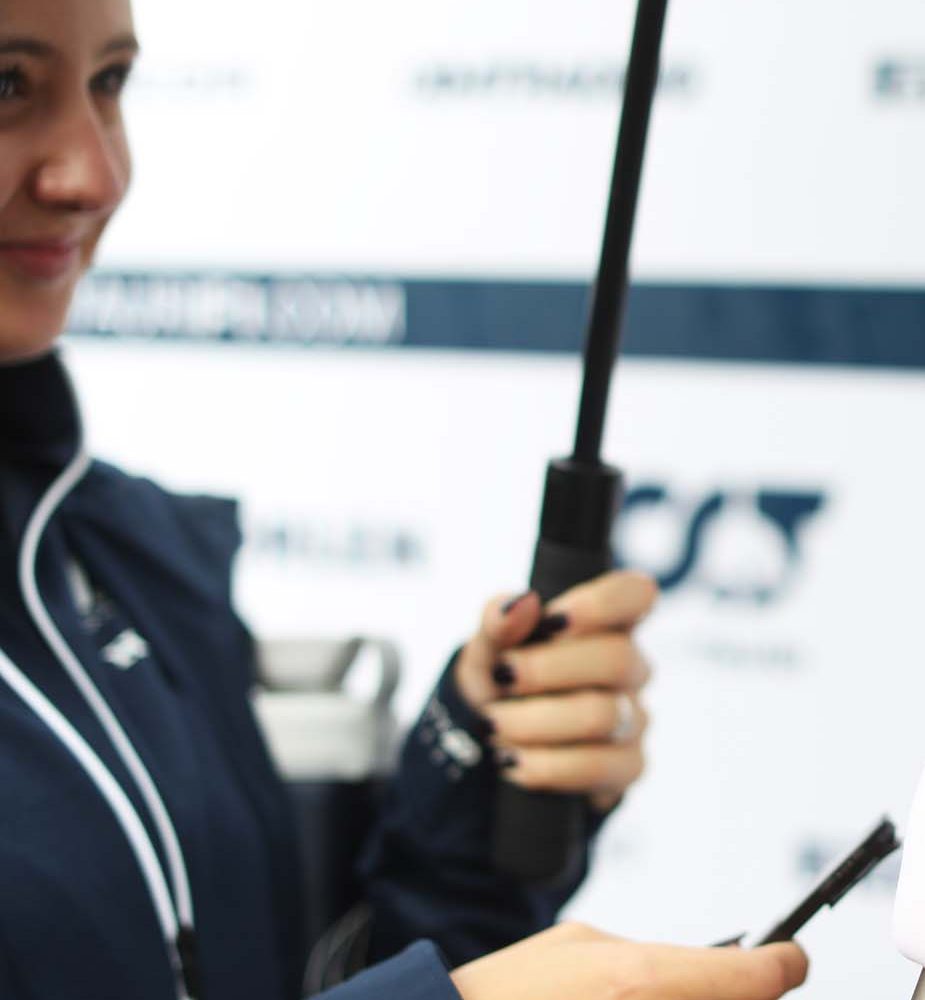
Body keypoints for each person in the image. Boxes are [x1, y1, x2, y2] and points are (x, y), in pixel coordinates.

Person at [0, 1, 807, 998]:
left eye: (110, 82)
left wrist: (478, 777)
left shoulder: (130, 551)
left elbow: (306, 974)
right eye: (7, 88)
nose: (89, 173)